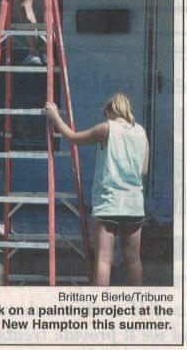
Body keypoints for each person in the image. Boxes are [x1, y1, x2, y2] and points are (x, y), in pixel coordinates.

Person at [44, 93, 149, 285]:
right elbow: (143, 169)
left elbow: (73, 138)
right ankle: (138, 307)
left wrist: (55, 116)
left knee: (103, 260)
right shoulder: (141, 132)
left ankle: (100, 307)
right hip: (134, 204)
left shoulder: (106, 128)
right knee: (133, 260)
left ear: (110, 110)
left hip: (109, 203)